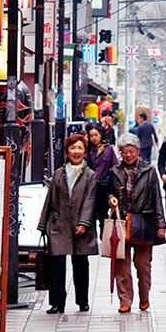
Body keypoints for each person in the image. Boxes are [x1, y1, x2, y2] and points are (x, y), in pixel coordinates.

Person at [37, 130, 101, 314]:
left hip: (81, 226)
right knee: (56, 264)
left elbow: (90, 200)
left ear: (85, 151)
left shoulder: (90, 175)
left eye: (80, 148)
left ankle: (82, 300)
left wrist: (84, 222)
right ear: (67, 151)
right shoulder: (58, 174)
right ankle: (57, 302)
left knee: (80, 264)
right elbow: (50, 200)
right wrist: (43, 225)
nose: (76, 151)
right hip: (59, 224)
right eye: (73, 148)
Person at [105, 132, 165, 313]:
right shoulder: (114, 171)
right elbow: (108, 192)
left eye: (131, 151)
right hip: (121, 222)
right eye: (124, 151)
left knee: (143, 265)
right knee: (122, 265)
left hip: (144, 221)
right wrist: (111, 199)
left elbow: (157, 198)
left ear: (138, 150)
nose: (128, 155)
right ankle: (125, 300)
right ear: (120, 153)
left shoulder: (149, 171)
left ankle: (144, 296)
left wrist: (161, 224)